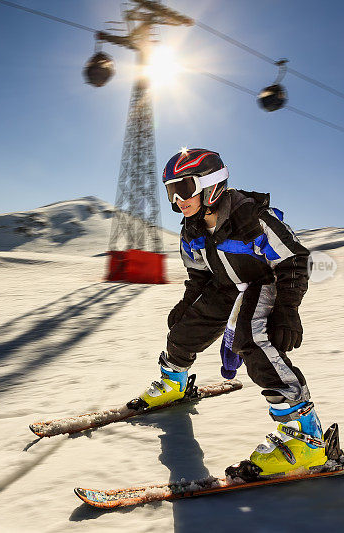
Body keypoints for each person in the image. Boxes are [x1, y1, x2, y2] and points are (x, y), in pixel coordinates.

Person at [139, 147, 325, 476]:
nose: (178, 200)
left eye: (183, 188)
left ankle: (306, 437)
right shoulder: (191, 230)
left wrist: (287, 309)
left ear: (211, 184)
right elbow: (198, 276)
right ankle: (174, 381)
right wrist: (187, 305)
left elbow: (294, 260)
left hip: (263, 283)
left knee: (252, 339)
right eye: (171, 191)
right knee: (184, 330)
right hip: (224, 286)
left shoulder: (250, 217)